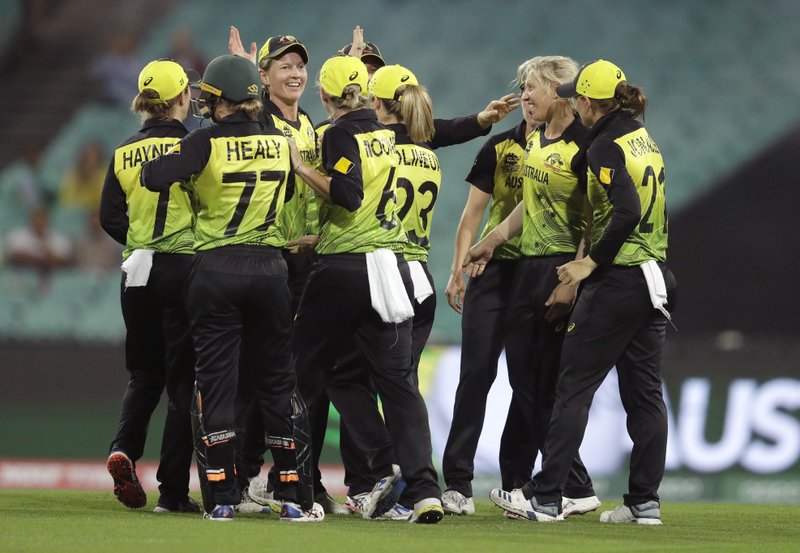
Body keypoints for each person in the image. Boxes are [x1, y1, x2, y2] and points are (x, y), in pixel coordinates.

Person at [488, 59, 675, 525]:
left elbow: (626, 210)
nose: (573, 103)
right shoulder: (640, 136)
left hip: (621, 280)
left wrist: (591, 262)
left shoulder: (605, 145)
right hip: (655, 277)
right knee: (645, 396)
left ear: (588, 102)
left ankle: (548, 497)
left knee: (570, 389)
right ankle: (643, 502)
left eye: (577, 98)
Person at [140, 53, 322, 522]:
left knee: (217, 384)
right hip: (270, 270)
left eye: (208, 98)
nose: (203, 104)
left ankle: (221, 495)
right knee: (278, 384)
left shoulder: (203, 141)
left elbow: (152, 177)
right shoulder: (282, 143)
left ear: (220, 102)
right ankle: (291, 493)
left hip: (216, 269)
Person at [287, 54, 443, 524]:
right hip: (391, 266)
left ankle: (287, 482)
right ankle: (423, 488)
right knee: (396, 384)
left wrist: (302, 168)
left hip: (343, 270)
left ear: (323, 95)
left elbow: (349, 194)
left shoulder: (338, 132)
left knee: (300, 372)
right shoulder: (387, 136)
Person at [460, 56, 601, 518]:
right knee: (526, 383)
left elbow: (596, 216)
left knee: (545, 385)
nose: (525, 96)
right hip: (528, 268)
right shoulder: (538, 139)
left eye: (533, 88)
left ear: (559, 94)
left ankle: (567, 486)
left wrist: (576, 274)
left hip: (560, 270)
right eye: (523, 88)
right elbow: (529, 203)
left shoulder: (588, 145)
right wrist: (493, 239)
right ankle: (549, 485)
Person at [226, 28, 347, 515]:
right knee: (262, 375)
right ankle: (242, 476)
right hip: (271, 259)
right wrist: (237, 73)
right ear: (264, 76)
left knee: (303, 379)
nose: (295, 72)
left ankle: (293, 478)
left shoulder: (312, 129)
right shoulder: (261, 121)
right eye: (284, 66)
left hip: (309, 264)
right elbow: (233, 130)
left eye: (300, 65)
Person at [99, 59, 198, 513]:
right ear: (182, 98)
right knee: (183, 382)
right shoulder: (197, 146)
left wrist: (142, 240)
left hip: (137, 270)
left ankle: (124, 448)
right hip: (184, 267)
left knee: (144, 374)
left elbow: (110, 218)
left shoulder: (122, 151)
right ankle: (173, 491)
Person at [6, 204, 72, 271]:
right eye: (36, 219)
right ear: (30, 220)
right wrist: (43, 260)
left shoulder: (59, 239)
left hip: (52, 276)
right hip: (23, 274)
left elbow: (62, 261)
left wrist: (37, 258)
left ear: (48, 221)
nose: (39, 223)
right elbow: (16, 258)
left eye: (42, 219)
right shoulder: (18, 236)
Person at [59, 141, 107, 210]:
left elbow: (104, 199)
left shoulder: (104, 174)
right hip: (75, 212)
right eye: (88, 159)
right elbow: (66, 200)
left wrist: (92, 180)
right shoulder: (73, 174)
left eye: (94, 159)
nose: (91, 163)